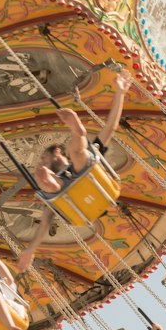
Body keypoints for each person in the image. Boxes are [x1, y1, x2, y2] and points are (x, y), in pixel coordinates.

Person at [17, 73, 131, 273]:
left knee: (79, 153)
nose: (41, 161)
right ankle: (78, 133)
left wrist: (120, 92)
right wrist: (30, 250)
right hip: (75, 198)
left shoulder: (75, 156)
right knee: (49, 182)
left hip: (91, 179)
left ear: (56, 152)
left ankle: (78, 132)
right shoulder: (54, 186)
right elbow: (44, 223)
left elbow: (111, 126)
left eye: (43, 157)